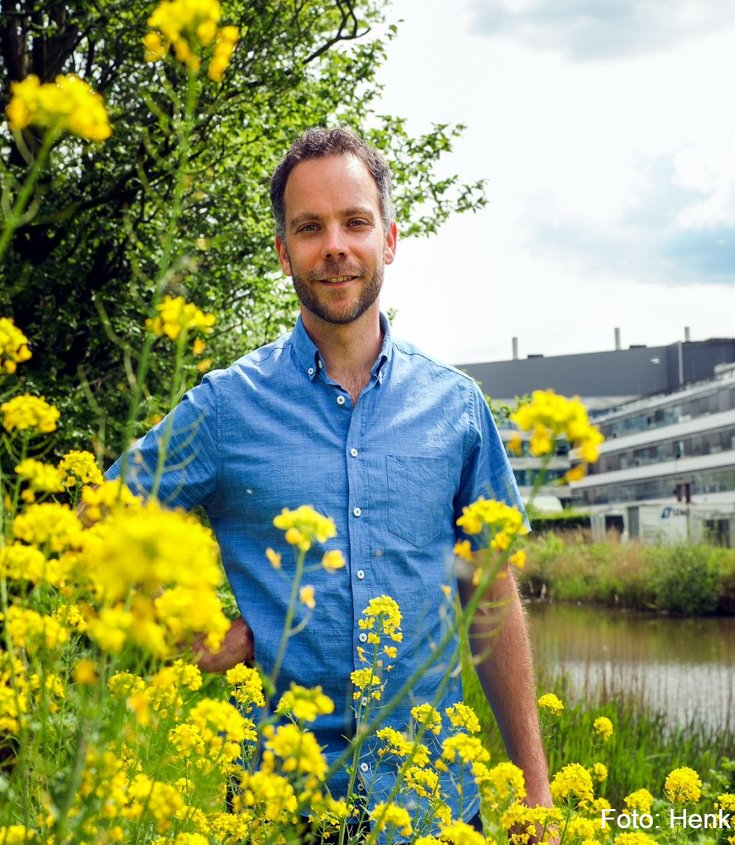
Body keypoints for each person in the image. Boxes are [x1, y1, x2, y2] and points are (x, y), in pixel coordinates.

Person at [106, 126, 552, 834]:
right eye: (310, 228)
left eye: (355, 222)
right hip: (281, 810)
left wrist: (536, 794)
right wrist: (185, 628)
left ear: (390, 239)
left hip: (435, 809)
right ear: (284, 252)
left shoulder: (457, 407)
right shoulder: (226, 406)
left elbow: (489, 592)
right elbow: (98, 518)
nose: (335, 246)